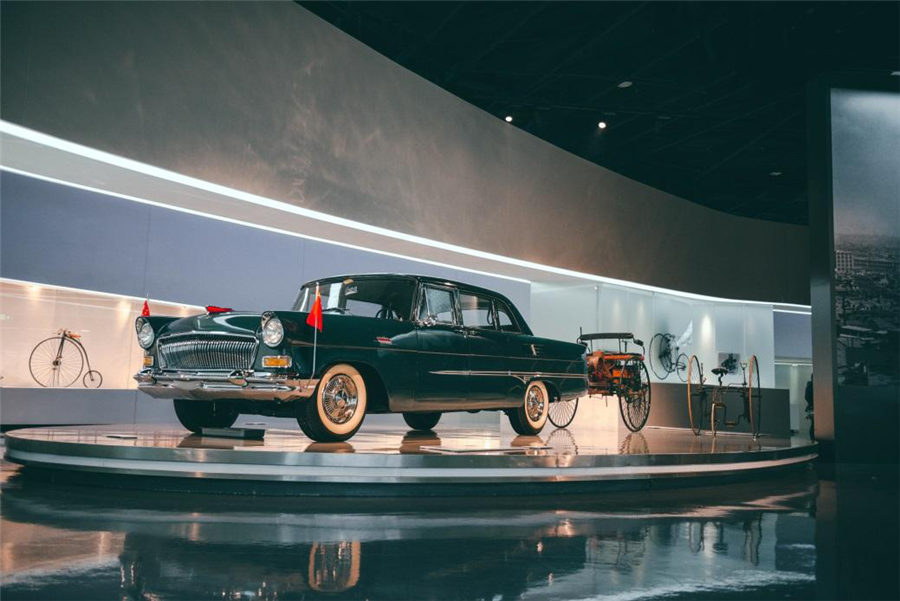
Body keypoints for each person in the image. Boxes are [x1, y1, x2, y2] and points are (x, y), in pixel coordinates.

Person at [804, 373, 814, 441]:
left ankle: (812, 440)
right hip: (813, 407)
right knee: (814, 424)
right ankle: (813, 439)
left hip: (811, 408)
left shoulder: (810, 385)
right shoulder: (810, 386)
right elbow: (807, 397)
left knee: (813, 424)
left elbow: (807, 397)